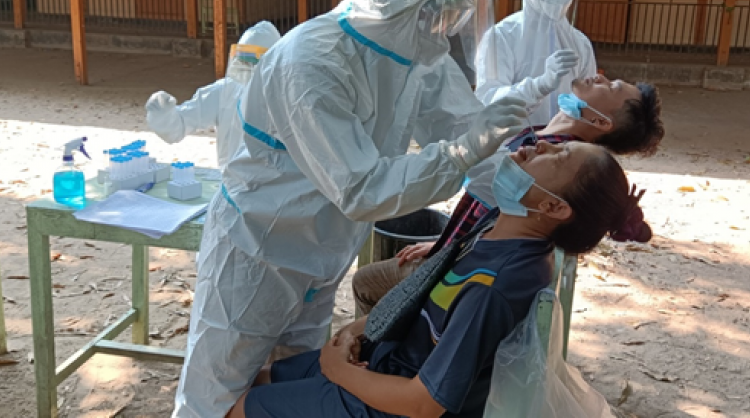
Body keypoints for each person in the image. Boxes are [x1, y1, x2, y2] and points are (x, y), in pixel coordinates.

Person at [173, 0, 531, 417]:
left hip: (324, 253)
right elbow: (363, 188)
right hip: (258, 251)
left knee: (289, 391)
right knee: (215, 396)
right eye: (435, 10)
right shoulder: (311, 61)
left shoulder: (418, 52)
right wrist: (463, 151)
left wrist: (523, 190)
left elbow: (463, 128)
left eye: (452, 11)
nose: (445, 26)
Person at [226, 141, 648, 418]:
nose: (540, 145)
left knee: (237, 408)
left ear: (554, 208)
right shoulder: (500, 228)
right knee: (258, 377)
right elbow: (421, 301)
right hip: (384, 358)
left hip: (391, 403)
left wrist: (338, 372)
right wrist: (358, 329)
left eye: (557, 157)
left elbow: (425, 403)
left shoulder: (494, 286)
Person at [353, 73, 663, 315]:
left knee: (366, 284)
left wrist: (449, 256)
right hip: (457, 250)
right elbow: (492, 205)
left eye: (611, 87)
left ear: (600, 121)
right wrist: (445, 244)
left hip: (461, 268)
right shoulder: (547, 139)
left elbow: (507, 221)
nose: (600, 77)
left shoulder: (560, 168)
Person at [475, 0, 596, 126]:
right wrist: (539, 86)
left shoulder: (580, 44)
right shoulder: (501, 37)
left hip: (565, 143)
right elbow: (489, 101)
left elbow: (591, 100)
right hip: (515, 142)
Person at [145, 21, 282, 169]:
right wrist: (162, 113)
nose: (248, 69)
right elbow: (178, 127)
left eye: (254, 63)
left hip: (273, 181)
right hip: (232, 180)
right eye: (244, 62)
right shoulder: (224, 92)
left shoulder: (286, 97)